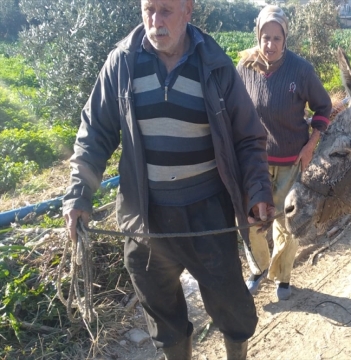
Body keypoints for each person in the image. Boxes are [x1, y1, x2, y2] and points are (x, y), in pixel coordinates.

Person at [62, 0, 274, 359]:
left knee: (231, 305)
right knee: (164, 319)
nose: (155, 22)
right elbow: (95, 132)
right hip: (145, 217)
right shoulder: (123, 63)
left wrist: (257, 189)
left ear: (188, 10)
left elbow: (248, 137)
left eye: (166, 11)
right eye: (149, 9)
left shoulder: (215, 65)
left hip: (206, 215)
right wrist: (79, 194)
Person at [236, 6, 332, 301]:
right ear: (258, 36)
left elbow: (323, 107)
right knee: (252, 220)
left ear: (285, 38)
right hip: (255, 162)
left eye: (277, 38)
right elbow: (234, 109)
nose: (270, 44)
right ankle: (259, 269)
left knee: (285, 223)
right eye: (265, 37)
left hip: (291, 160)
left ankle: (283, 277)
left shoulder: (301, 70)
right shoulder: (246, 68)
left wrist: (310, 144)